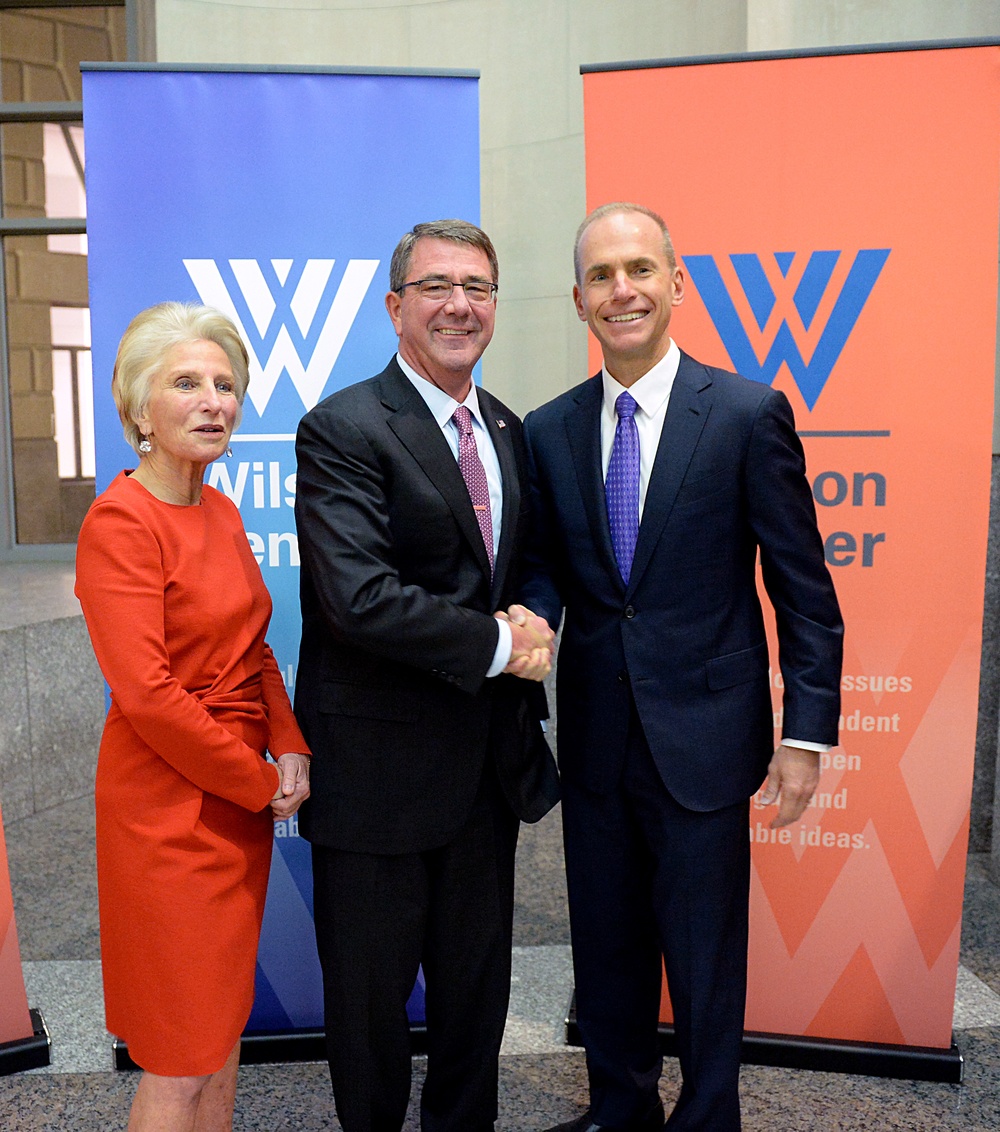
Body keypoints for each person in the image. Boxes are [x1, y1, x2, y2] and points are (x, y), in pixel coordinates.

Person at [518, 203, 844, 1132]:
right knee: (608, 950)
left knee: (704, 962)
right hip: (596, 742)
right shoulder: (548, 429)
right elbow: (546, 568)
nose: (621, 290)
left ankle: (708, 1119)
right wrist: (531, 616)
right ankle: (620, 1108)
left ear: (674, 283)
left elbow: (804, 592)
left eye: (639, 270)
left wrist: (804, 735)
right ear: (578, 299)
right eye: (600, 276)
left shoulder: (745, 414)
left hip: (705, 740)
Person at [294, 218, 560, 1132]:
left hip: (487, 775)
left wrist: (537, 618)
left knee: (474, 1010)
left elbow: (528, 563)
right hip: (376, 778)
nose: (459, 305)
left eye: (478, 288)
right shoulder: (343, 426)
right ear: (395, 306)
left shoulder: (505, 427)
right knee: (368, 1022)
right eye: (439, 286)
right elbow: (356, 597)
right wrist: (498, 643)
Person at [75, 302, 311, 1132]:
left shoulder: (221, 511)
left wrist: (288, 745)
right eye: (187, 383)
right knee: (179, 1056)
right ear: (140, 409)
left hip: (235, 804)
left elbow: (255, 650)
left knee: (219, 1033)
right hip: (167, 816)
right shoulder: (120, 522)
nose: (214, 401)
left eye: (226, 385)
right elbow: (146, 695)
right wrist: (254, 778)